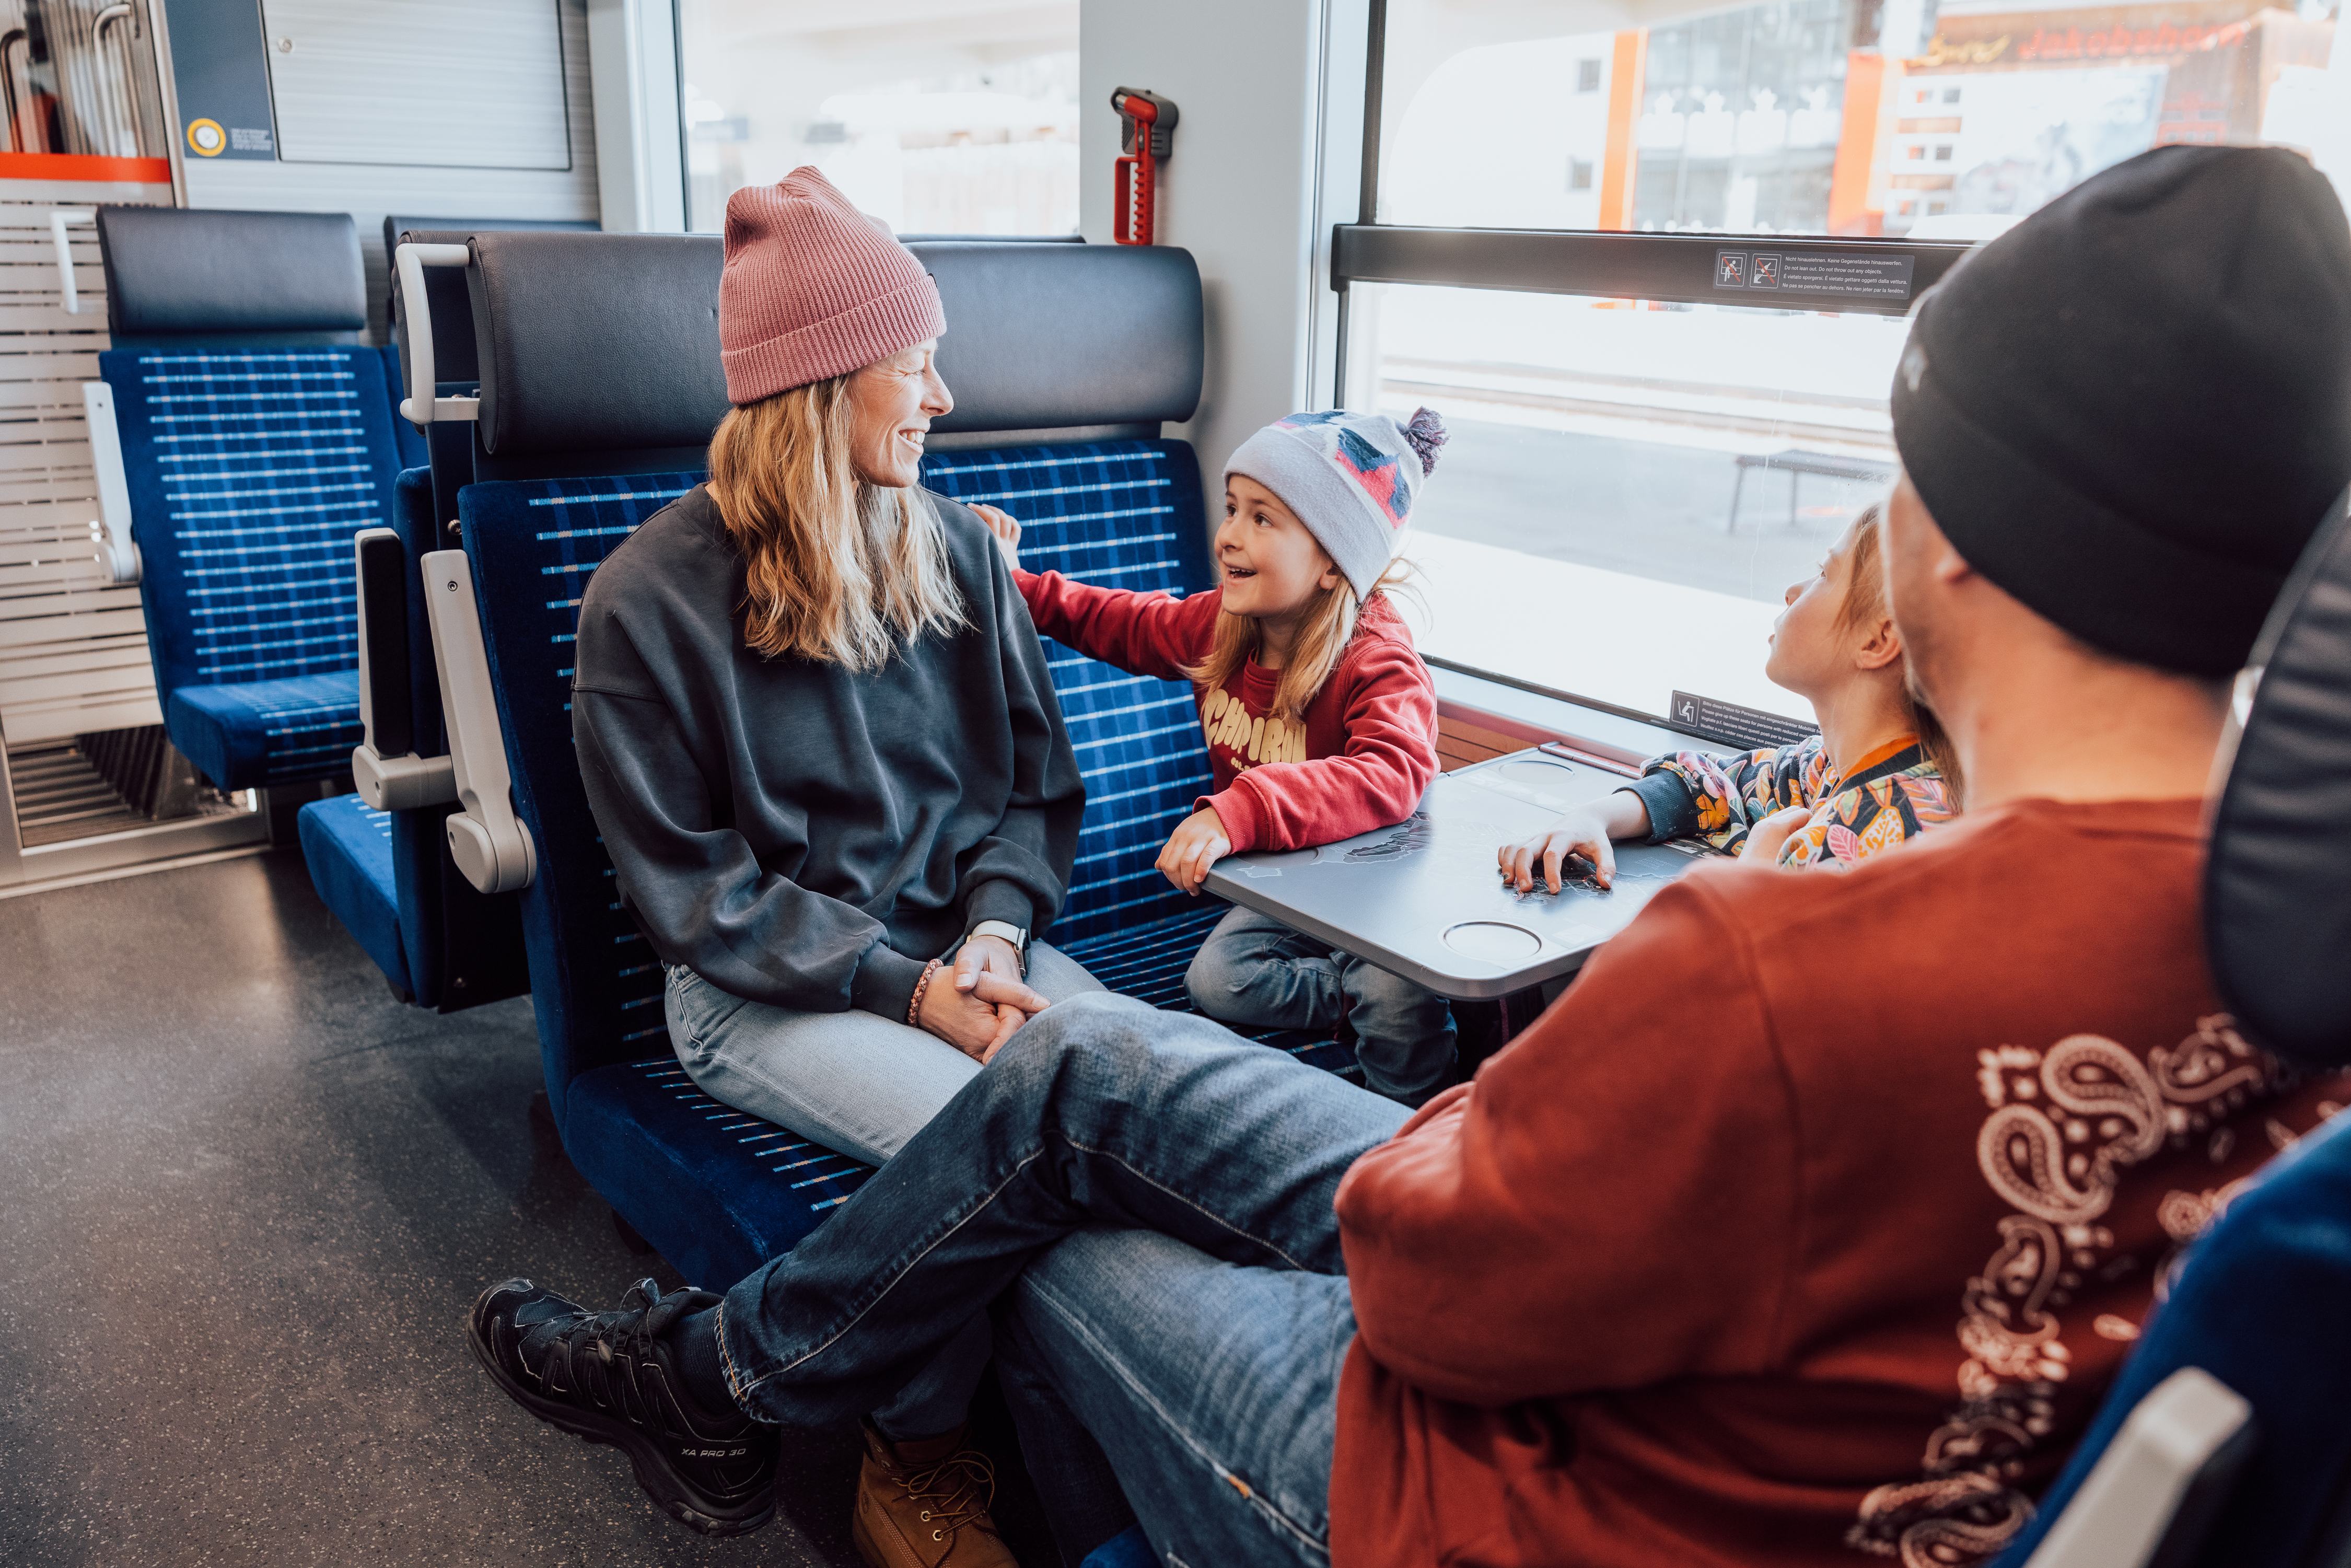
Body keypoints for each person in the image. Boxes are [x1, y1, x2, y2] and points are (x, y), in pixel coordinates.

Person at [465, 145, 2351, 1568]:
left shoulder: (1781, 953)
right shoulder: (2291, 950)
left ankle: (730, 1382)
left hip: (1501, 1478)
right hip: (1673, 1368)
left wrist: (1465, 1123)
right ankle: (743, 1378)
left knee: (1055, 1192)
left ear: (1954, 548)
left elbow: (1430, 1281)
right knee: (1083, 1064)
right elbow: (693, 889)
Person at [561, 167, 1095, 1558]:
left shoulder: (957, 556)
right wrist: (909, 988)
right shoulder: (643, 606)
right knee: (993, 1145)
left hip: (962, 948)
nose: (942, 399)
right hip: (766, 987)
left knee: (1141, 1092)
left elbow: (1032, 789)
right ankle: (915, 1452)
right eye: (913, 367)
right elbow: (695, 893)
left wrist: (986, 938)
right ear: (819, 387)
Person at [978, 409, 1454, 1105]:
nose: (1229, 533)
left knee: (1397, 998)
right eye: (1233, 508)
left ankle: (1419, 1128)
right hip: (1295, 892)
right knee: (1217, 979)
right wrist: (1017, 585)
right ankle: (1346, 997)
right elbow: (1124, 622)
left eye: (1263, 518)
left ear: (1333, 561)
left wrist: (1241, 812)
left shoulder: (1376, 658)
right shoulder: (1227, 626)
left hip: (1379, 897)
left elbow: (1390, 771)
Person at [1500, 504, 1955, 896]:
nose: (1793, 591)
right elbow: (1720, 785)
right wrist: (1594, 817)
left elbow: (1733, 985)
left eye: (1823, 574)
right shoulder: (1837, 770)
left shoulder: (1858, 840)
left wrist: (1752, 873)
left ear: (1878, 640)